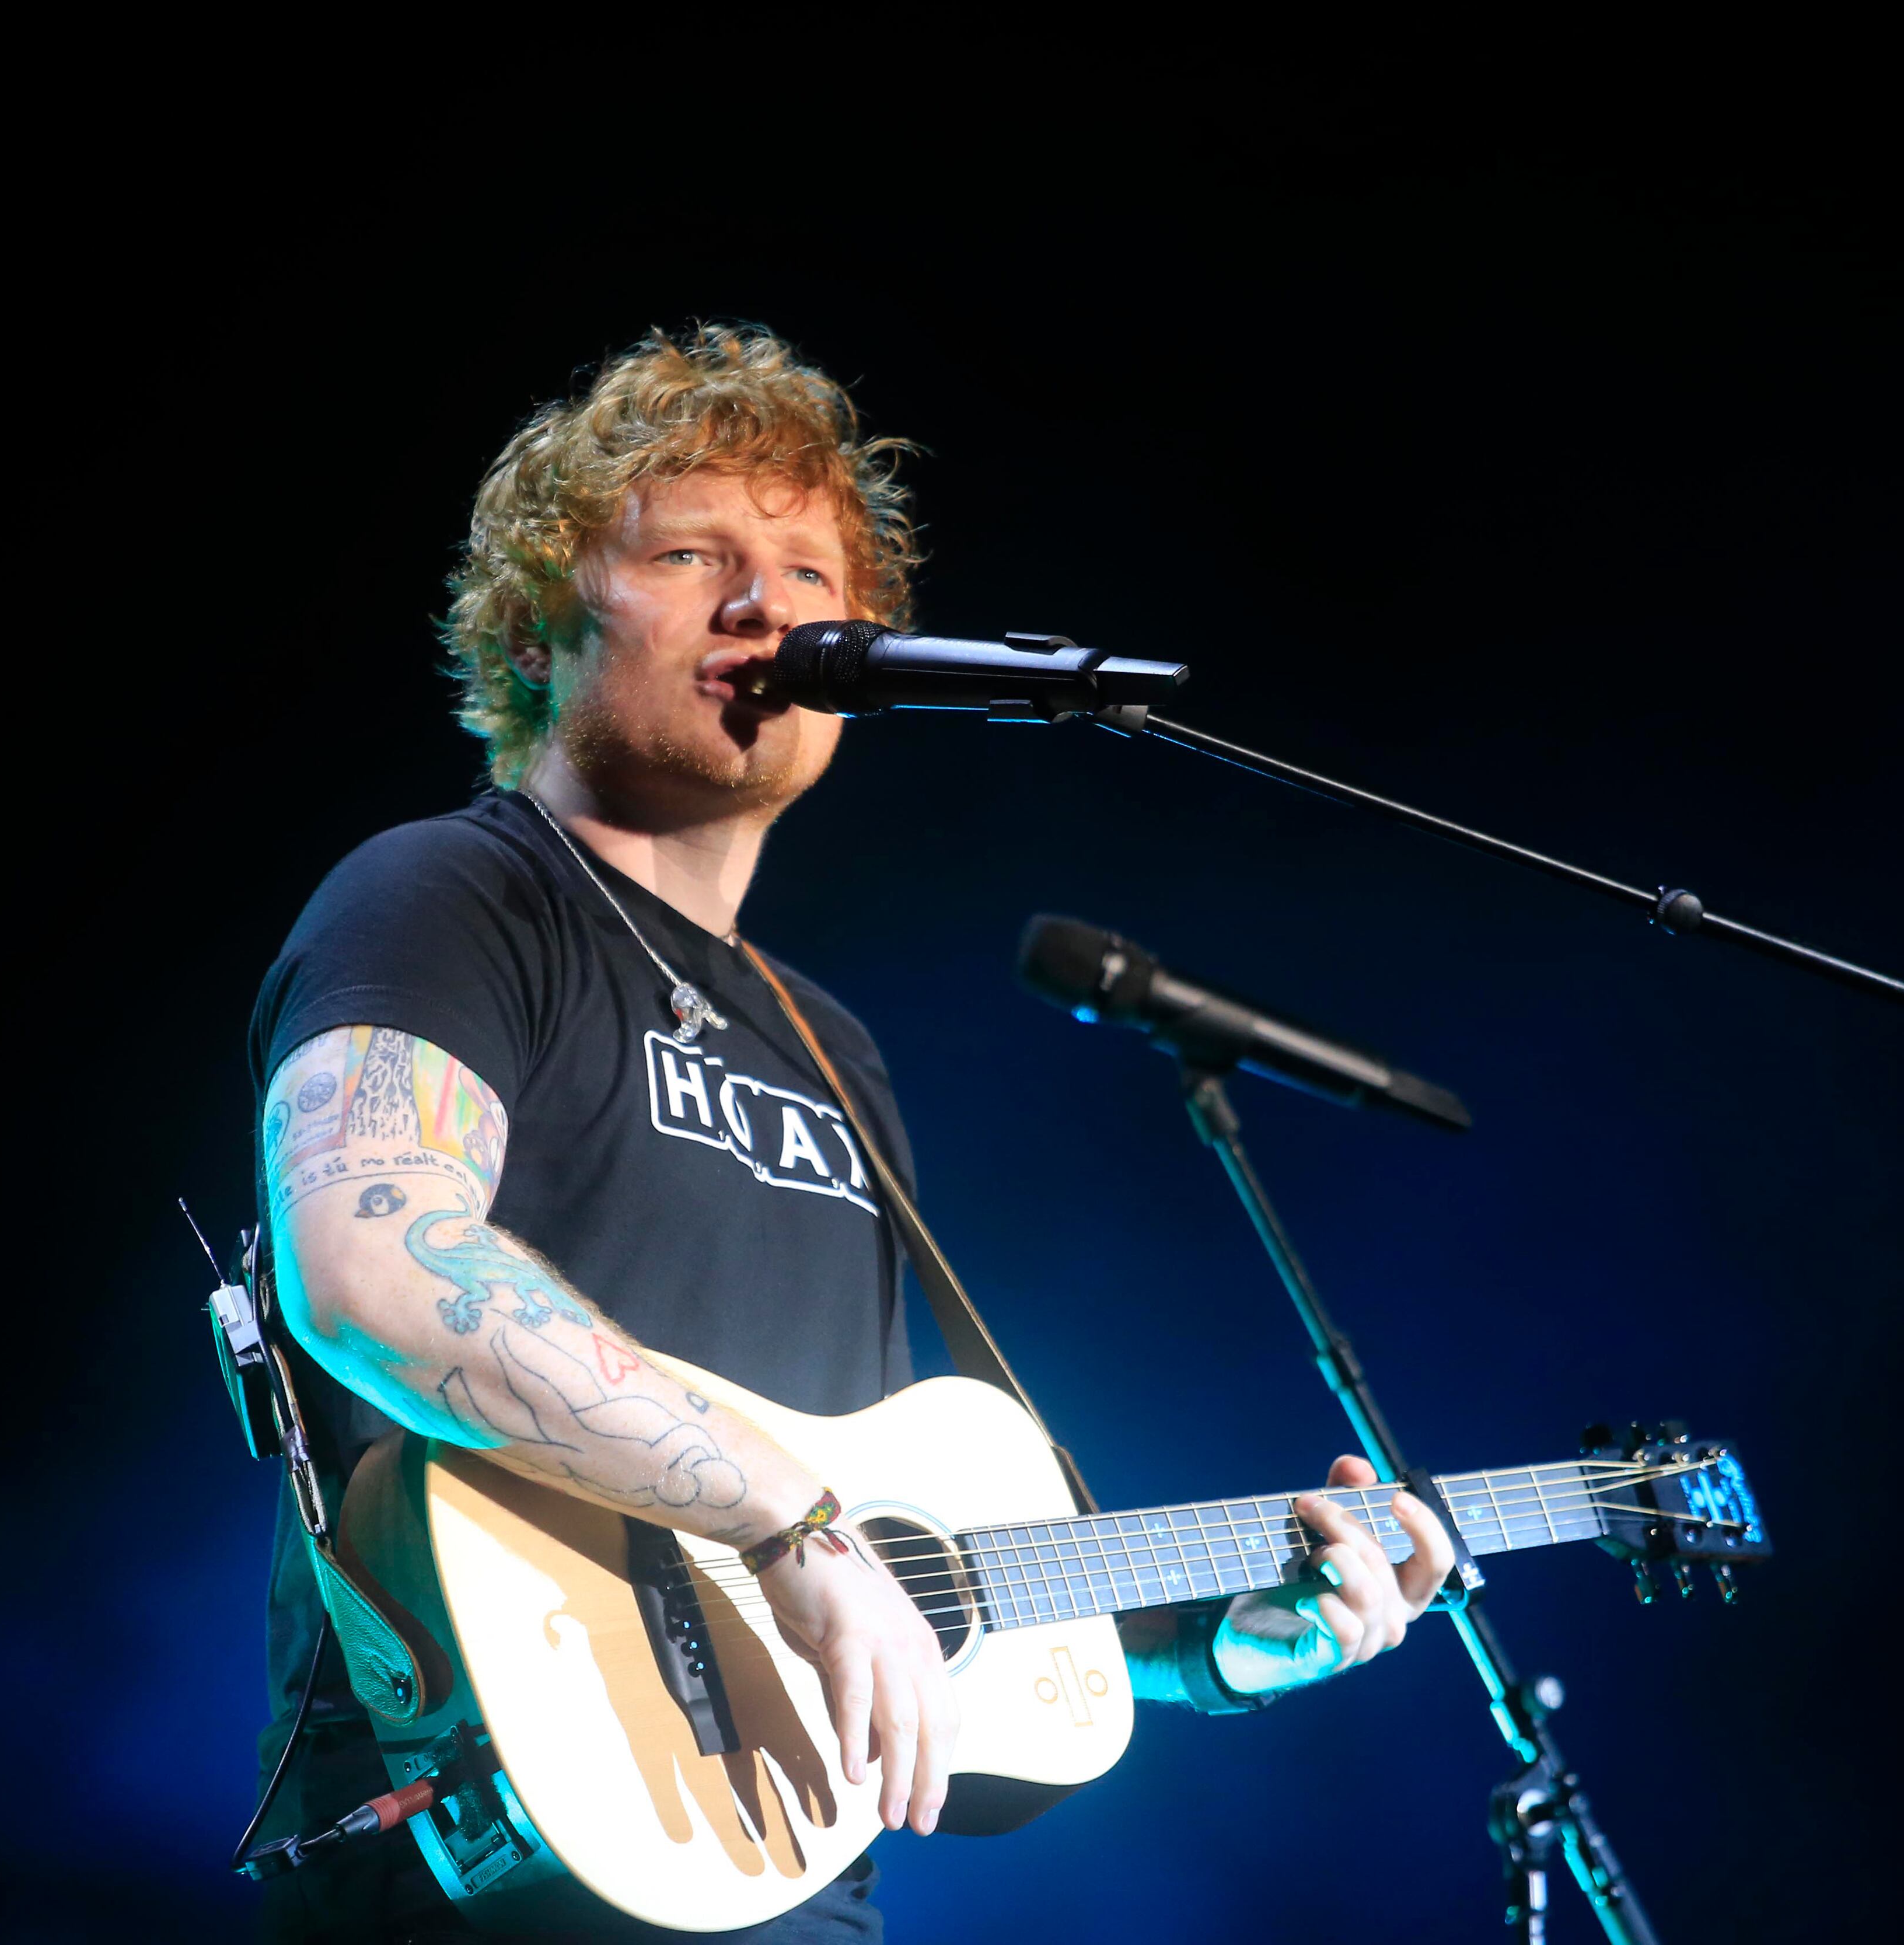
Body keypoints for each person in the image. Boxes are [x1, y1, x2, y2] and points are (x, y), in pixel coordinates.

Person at [246, 325, 1451, 1942]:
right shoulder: (451, 893)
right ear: (536, 625)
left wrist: (1221, 1652)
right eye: (692, 555)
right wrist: (789, 1522)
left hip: (783, 1874)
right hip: (476, 1868)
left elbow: (916, 1554)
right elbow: (375, 1269)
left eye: (811, 575)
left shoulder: (835, 1050)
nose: (770, 608)